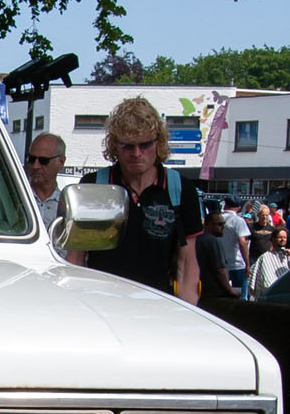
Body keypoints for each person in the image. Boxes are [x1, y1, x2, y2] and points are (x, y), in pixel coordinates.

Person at [69, 96, 203, 301]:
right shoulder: (94, 185)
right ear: (115, 146)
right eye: (127, 146)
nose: (136, 153)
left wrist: (188, 314)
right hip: (101, 302)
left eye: (145, 145)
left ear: (158, 144)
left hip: (156, 304)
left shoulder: (181, 190)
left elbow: (187, 264)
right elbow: (76, 256)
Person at [195, 212, 240, 304]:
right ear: (208, 225)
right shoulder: (212, 241)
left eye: (223, 224)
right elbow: (220, 270)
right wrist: (230, 290)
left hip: (200, 291)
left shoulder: (198, 239)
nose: (223, 227)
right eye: (220, 224)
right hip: (214, 293)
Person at [25, 132, 66, 227]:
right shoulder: (16, 199)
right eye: (31, 159)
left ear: (61, 162)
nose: (35, 166)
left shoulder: (66, 207)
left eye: (43, 161)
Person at [248, 227, 290, 299]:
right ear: (273, 239)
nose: (282, 240)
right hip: (271, 293)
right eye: (280, 237)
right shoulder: (265, 257)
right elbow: (263, 281)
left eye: (284, 237)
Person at [219, 197, 250, 291]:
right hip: (237, 265)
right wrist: (247, 264)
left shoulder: (217, 219)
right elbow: (242, 242)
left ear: (226, 205)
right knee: (240, 295)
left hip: (220, 264)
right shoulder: (238, 221)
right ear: (239, 207)